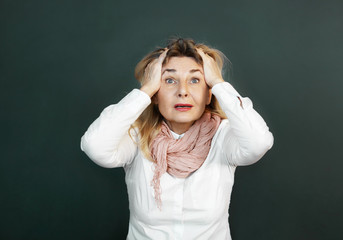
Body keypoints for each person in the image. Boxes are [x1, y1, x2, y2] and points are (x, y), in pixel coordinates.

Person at [80, 38, 274, 240]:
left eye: (195, 80)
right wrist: (145, 90)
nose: (183, 91)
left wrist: (218, 83)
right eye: (169, 80)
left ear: (209, 94)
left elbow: (259, 142)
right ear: (156, 93)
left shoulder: (224, 136)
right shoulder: (137, 137)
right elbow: (95, 146)